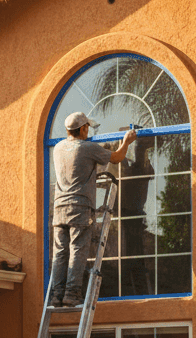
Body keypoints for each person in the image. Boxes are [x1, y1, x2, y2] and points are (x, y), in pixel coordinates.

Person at [49, 111, 137, 307]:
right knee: (78, 249)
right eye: (87, 128)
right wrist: (126, 141)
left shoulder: (58, 148)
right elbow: (116, 158)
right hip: (79, 207)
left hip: (59, 208)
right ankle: (72, 293)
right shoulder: (87, 148)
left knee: (60, 252)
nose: (88, 131)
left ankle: (57, 295)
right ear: (82, 129)